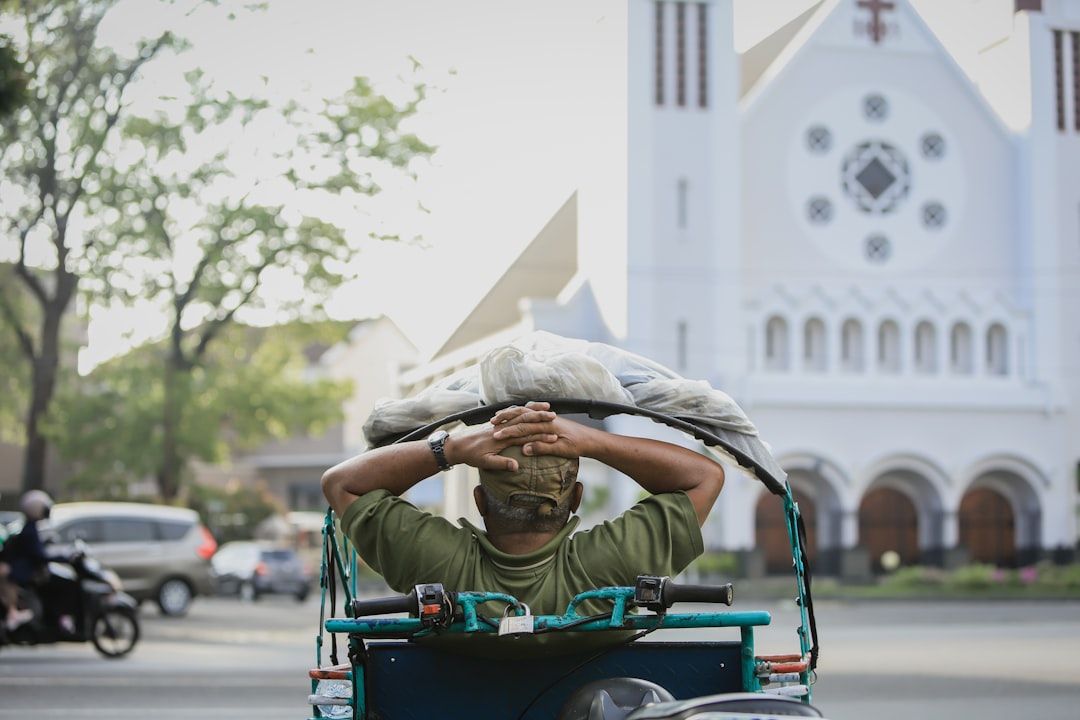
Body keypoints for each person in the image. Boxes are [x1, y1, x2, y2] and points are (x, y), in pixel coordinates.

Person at [321, 401, 725, 645]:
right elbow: (704, 476)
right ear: (577, 498)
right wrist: (594, 441)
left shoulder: (437, 560)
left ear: (480, 501)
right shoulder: (609, 563)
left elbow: (341, 483)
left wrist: (452, 448)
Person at [1, 490, 74, 633]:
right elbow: (38, 554)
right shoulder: (29, 530)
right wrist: (64, 558)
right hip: (22, 573)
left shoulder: (30, 528)